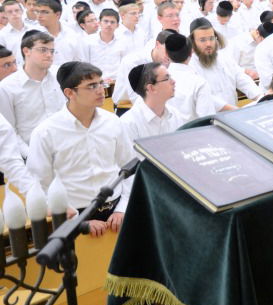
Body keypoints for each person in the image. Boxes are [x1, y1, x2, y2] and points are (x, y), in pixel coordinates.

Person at [27, 62, 134, 237]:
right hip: (73, 217)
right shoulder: (46, 132)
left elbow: (130, 168)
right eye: (92, 86)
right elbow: (39, 185)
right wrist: (78, 220)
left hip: (117, 212)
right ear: (69, 93)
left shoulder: (113, 122)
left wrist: (122, 208)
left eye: (101, 83)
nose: (101, 90)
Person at [112, 62, 185, 231]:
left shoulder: (176, 115)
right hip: (146, 196)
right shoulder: (128, 123)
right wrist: (123, 206)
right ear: (151, 88)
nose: (173, 81)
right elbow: (128, 169)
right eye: (167, 78)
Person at [0, 31, 64, 157]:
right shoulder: (7, 87)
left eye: (52, 51)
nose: (49, 55)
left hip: (65, 150)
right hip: (30, 154)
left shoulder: (60, 75)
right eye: (43, 50)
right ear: (26, 51)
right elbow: (9, 131)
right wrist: (32, 156)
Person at [188, 18, 263, 110]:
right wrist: (233, 110)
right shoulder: (190, 65)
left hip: (231, 115)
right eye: (202, 40)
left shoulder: (224, 57)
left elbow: (241, 79)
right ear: (193, 42)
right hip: (208, 120)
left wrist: (260, 97)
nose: (208, 44)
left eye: (211, 38)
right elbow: (205, 97)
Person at [164, 32, 216, 121]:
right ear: (191, 52)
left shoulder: (157, 81)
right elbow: (207, 120)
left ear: (166, 54)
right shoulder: (199, 83)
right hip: (192, 134)